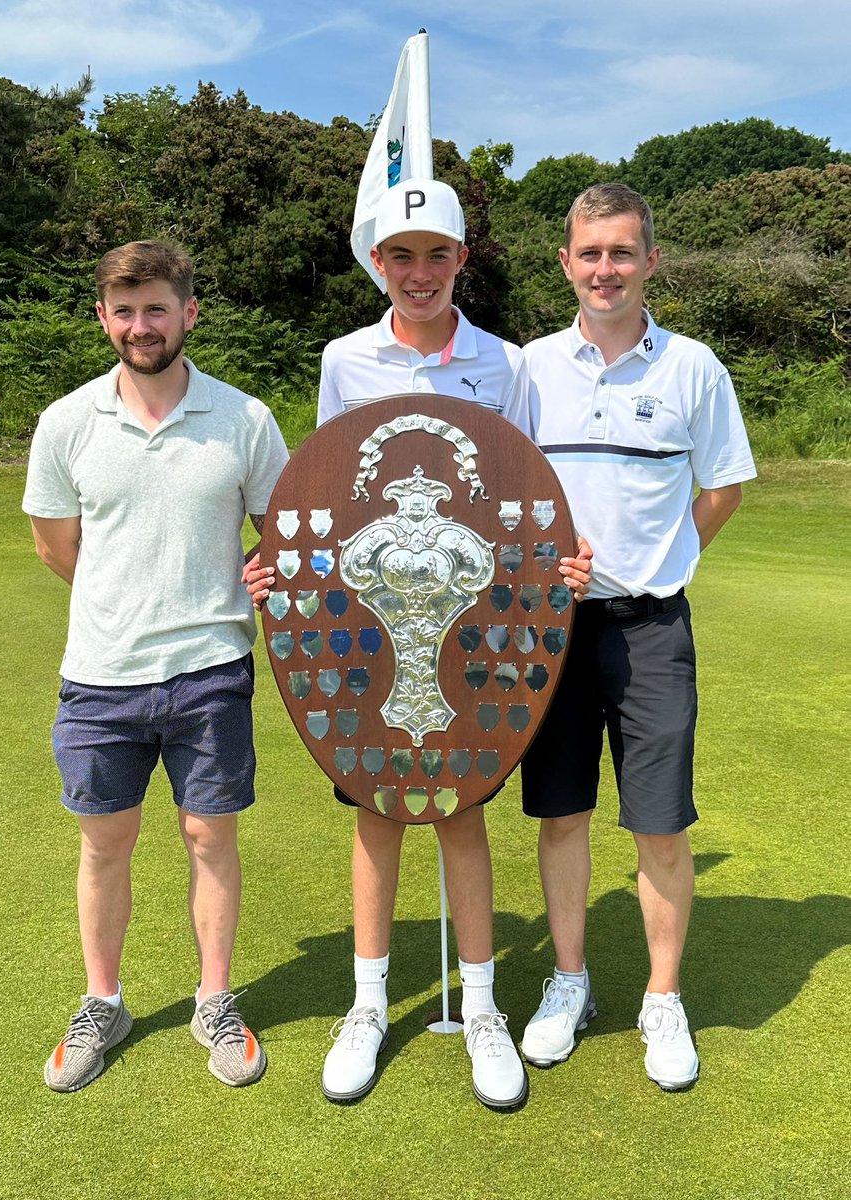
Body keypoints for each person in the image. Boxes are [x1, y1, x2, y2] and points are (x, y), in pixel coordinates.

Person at [244, 179, 592, 1109]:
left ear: (461, 260)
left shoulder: (505, 363)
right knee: (375, 802)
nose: (419, 272)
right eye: (401, 255)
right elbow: (321, 498)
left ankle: (479, 1005)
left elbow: (522, 499)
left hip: (467, 612)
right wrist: (283, 573)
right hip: (371, 616)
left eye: (437, 254)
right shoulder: (344, 357)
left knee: (463, 798)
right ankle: (366, 1004)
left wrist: (553, 572)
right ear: (378, 264)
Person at [23, 240, 289, 1093]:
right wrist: (127, 597)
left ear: (189, 312)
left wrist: (245, 576)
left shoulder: (244, 418)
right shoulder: (67, 422)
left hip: (211, 665)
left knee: (210, 837)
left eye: (157, 308)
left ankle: (215, 998)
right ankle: (104, 1000)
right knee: (106, 845)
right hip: (100, 673)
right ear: (104, 317)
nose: (142, 326)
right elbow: (57, 546)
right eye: (125, 310)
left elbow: (280, 532)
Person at [519, 183, 756, 1090]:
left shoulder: (693, 367)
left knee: (659, 824)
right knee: (562, 815)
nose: (605, 269)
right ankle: (570, 983)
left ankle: (662, 999)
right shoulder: (531, 368)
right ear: (567, 263)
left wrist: (667, 554)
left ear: (650, 260)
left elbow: (725, 485)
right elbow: (506, 496)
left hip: (652, 627)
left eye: (622, 252)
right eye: (590, 253)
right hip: (550, 630)